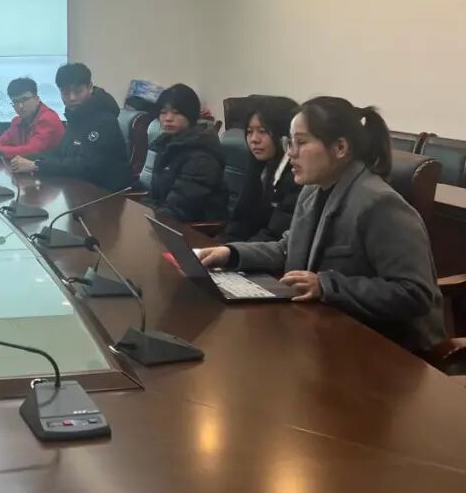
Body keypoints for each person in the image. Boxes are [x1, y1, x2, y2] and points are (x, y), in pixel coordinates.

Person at [198, 97, 445, 353]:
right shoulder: (312, 191)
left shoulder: (380, 205)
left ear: (340, 148)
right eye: (289, 142)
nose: (290, 153)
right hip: (330, 330)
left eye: (301, 142)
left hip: (388, 349)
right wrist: (231, 253)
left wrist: (327, 286)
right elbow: (287, 248)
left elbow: (415, 294)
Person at [9, 63, 131, 191]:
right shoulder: (76, 115)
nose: (72, 98)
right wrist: (31, 158)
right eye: (65, 92)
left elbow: (85, 165)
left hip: (107, 193)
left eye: (78, 91)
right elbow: (61, 152)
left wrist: (37, 165)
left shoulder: (105, 120)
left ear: (90, 87)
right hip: (80, 187)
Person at [140, 83, 227, 221]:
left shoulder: (201, 156)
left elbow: (179, 209)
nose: (168, 118)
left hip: (191, 229)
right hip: (162, 219)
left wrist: (145, 217)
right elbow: (155, 196)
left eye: (176, 112)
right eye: (163, 112)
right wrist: (141, 211)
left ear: (190, 115)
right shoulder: (165, 144)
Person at [221, 96, 302, 242]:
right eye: (249, 131)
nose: (254, 139)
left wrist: (233, 252)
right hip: (246, 249)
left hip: (266, 252)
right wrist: (220, 246)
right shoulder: (258, 168)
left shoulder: (295, 176)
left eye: (262, 131)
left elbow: (275, 235)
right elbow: (240, 222)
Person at [0, 77, 65, 161]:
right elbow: (0, 142)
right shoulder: (17, 121)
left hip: (53, 174)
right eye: (15, 101)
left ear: (37, 99)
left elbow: (31, 151)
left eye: (25, 99)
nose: (20, 106)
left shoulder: (48, 119)